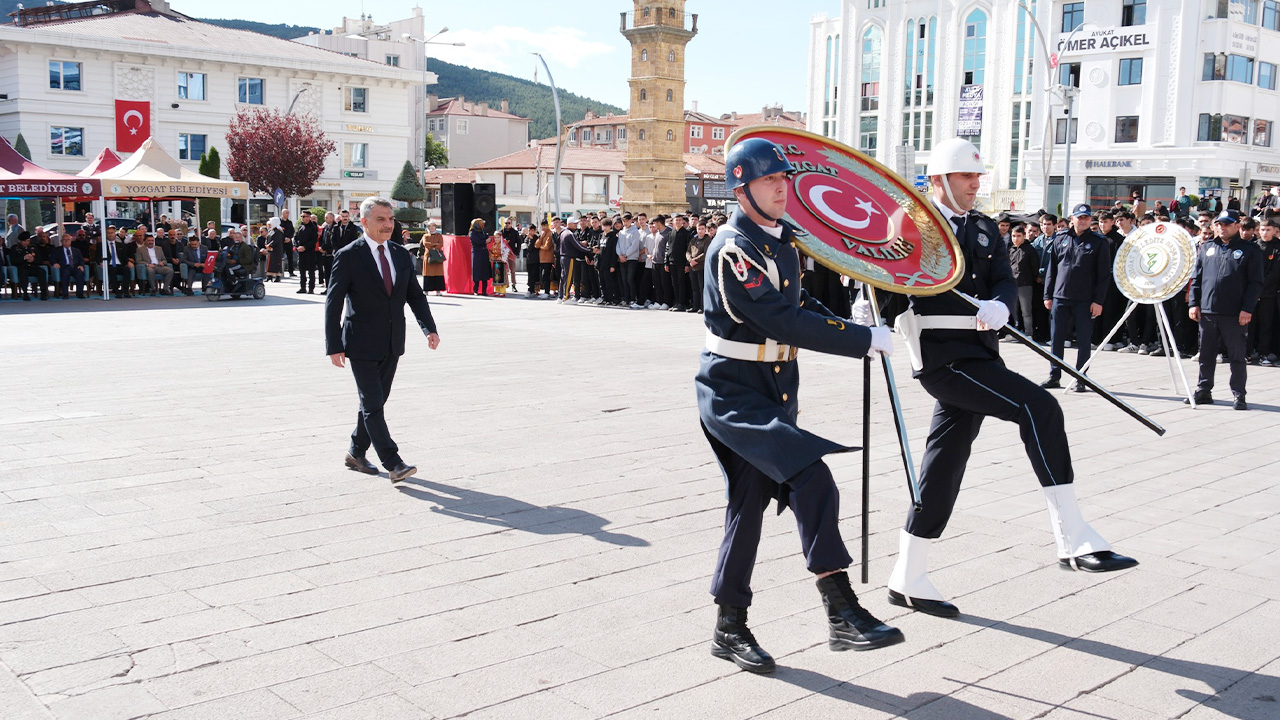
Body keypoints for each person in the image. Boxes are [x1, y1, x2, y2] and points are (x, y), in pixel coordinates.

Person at [857, 138, 1137, 621]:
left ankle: (907, 575)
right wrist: (869, 312)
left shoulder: (985, 228)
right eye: (968, 177)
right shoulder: (910, 226)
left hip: (981, 353)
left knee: (942, 467)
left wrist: (1003, 303)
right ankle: (1072, 538)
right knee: (1040, 407)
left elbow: (1004, 279)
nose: (976, 183)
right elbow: (888, 281)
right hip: (944, 359)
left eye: (978, 176)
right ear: (941, 181)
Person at [698, 138, 901, 675]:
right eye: (770, 181)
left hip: (773, 387)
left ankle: (729, 627)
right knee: (812, 478)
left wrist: (852, 324)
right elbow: (779, 321)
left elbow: (798, 305)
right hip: (733, 392)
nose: (782, 189)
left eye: (784, 180)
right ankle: (841, 610)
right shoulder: (734, 248)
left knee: (748, 506)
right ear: (741, 190)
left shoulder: (781, 243)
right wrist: (859, 343)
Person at [325, 196, 439, 483]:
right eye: (381, 219)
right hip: (360, 342)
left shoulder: (401, 254)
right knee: (373, 403)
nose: (388, 224)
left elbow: (415, 295)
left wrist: (429, 328)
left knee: (375, 402)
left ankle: (355, 451)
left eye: (390, 219)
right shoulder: (349, 255)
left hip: (392, 341)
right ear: (364, 222)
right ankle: (393, 461)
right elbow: (333, 302)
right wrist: (333, 344)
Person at [1188, 211, 1264, 410]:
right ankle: (1204, 390)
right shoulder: (1207, 247)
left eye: (1227, 224)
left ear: (1237, 226)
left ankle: (1239, 394)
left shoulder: (1250, 250)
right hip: (1208, 311)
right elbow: (1196, 279)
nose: (1222, 227)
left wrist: (1247, 309)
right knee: (1205, 354)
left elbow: (1255, 283)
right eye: (1219, 224)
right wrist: (1193, 303)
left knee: (1237, 356)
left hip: (1234, 313)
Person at [1041, 204, 1111, 391]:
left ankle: (1081, 378)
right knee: (1056, 338)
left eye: (1086, 218)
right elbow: (1052, 269)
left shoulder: (1099, 242)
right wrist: (1048, 295)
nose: (1083, 221)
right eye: (1079, 217)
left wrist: (1098, 301)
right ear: (1072, 219)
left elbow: (1104, 275)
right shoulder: (1061, 239)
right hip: (1060, 297)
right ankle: (1054, 375)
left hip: (1084, 300)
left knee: (1083, 340)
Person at [1252, 219, 1280, 366]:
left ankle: (1264, 353)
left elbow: (1275, 273)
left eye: (1268, 230)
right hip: (1252, 294)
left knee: (1266, 325)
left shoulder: (1277, 247)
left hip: (1268, 293)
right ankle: (1248, 352)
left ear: (1274, 231)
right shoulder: (1254, 246)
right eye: (1262, 230)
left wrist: (1260, 288)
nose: (1264, 233)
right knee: (1250, 324)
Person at [1007, 224, 1038, 336]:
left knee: (1026, 311)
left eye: (1018, 236)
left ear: (1024, 236)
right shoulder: (1010, 249)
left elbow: (1035, 267)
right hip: (1012, 284)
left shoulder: (1029, 250)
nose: (1016, 238)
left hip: (1025, 284)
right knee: (1013, 311)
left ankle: (1029, 333)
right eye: (1013, 236)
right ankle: (1015, 332)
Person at [50, 233, 87, 299]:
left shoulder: (76, 250)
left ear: (71, 241)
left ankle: (80, 293)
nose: (66, 241)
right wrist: (55, 263)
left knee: (80, 272)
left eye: (68, 240)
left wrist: (81, 265)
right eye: (64, 240)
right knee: (65, 273)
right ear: (61, 241)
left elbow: (81, 260)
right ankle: (65, 294)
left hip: (75, 266)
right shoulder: (57, 250)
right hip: (64, 266)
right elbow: (52, 259)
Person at [686, 217, 711, 313]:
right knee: (694, 288)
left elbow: (706, 253)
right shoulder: (693, 240)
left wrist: (695, 260)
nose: (700, 231)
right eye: (698, 229)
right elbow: (688, 251)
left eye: (702, 229)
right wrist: (690, 260)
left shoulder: (707, 239)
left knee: (702, 288)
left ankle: (703, 306)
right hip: (693, 267)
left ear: (705, 230)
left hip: (701, 266)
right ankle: (695, 305)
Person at [617, 214, 642, 307]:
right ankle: (626, 298)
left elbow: (635, 245)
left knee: (630, 279)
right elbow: (618, 245)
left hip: (631, 258)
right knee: (624, 279)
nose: (625, 223)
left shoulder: (635, 231)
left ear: (631, 220)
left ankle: (633, 298)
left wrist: (626, 255)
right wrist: (620, 255)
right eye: (623, 221)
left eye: (627, 221)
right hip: (622, 259)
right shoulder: (621, 232)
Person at [294, 211, 320, 294]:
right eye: (302, 216)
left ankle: (311, 288)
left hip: (309, 252)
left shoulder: (313, 227)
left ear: (309, 217)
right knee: (302, 270)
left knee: (311, 271)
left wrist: (305, 247)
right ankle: (302, 287)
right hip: (301, 252)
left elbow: (313, 240)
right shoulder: (301, 226)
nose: (302, 218)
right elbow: (295, 237)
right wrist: (297, 246)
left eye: (304, 216)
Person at [467, 218, 492, 296]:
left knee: (485, 271)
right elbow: (478, 242)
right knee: (477, 271)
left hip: (484, 252)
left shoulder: (482, 232)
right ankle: (476, 290)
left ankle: (484, 291)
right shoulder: (472, 233)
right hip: (477, 253)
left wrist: (488, 240)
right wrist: (485, 241)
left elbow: (487, 238)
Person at [420, 221, 446, 296]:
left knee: (438, 273)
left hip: (437, 256)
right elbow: (426, 244)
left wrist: (433, 245)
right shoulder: (425, 236)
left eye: (433, 226)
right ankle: (426, 290)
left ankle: (438, 290)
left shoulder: (439, 235)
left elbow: (441, 244)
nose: (431, 227)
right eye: (430, 226)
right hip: (428, 256)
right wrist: (435, 244)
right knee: (428, 273)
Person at [264, 217, 286, 282]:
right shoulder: (271, 230)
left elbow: (276, 240)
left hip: (276, 250)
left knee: (277, 263)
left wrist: (270, 245)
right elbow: (267, 238)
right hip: (270, 250)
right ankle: (269, 276)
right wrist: (266, 245)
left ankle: (277, 276)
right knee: (270, 263)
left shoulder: (279, 231)